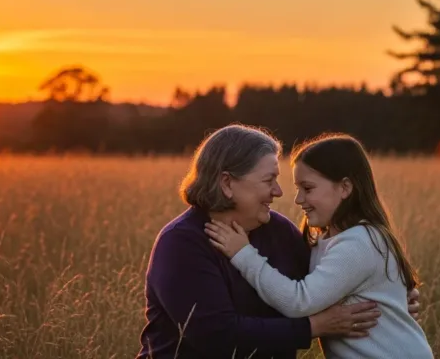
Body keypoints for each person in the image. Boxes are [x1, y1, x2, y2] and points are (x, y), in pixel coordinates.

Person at [136, 124, 421, 359]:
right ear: (227, 184)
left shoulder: (280, 232)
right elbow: (216, 336)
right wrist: (313, 327)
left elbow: (325, 283)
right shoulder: (182, 244)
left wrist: (387, 296)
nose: (279, 191)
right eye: (268, 180)